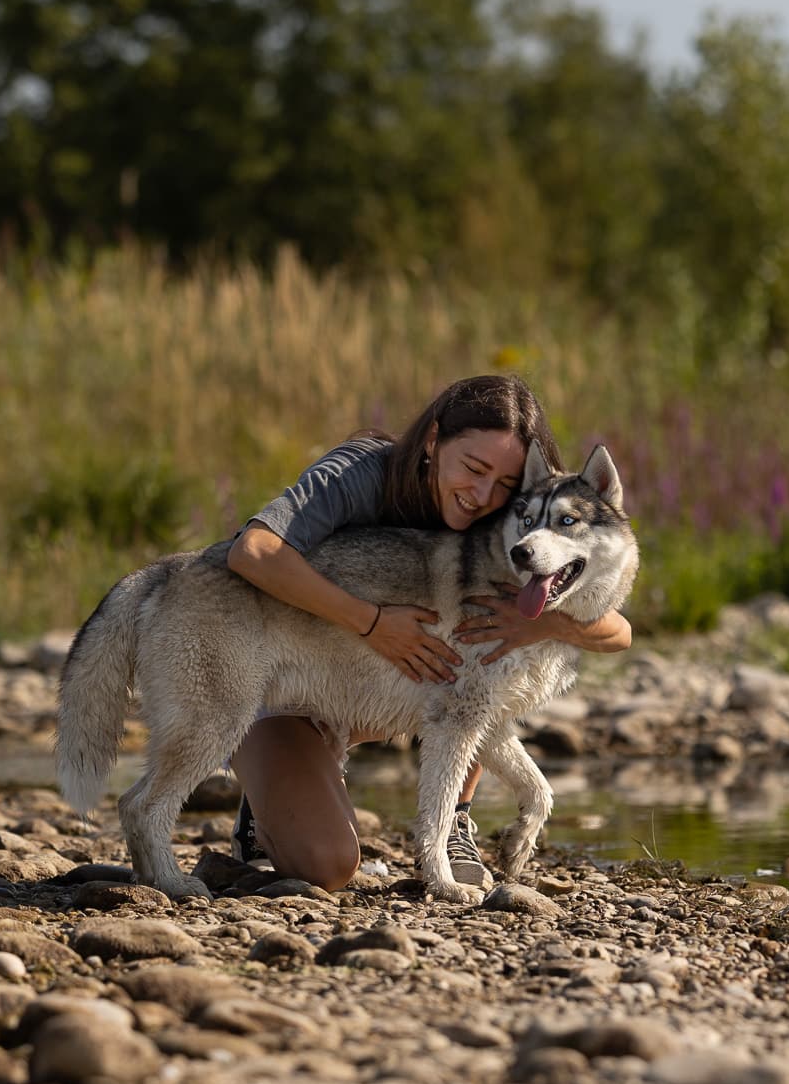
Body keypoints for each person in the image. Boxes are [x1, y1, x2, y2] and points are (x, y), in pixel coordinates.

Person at [224, 374, 633, 891]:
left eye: (506, 486)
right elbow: (251, 551)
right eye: (473, 468)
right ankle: (259, 808)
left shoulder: (510, 542)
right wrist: (372, 624)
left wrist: (541, 619)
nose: (484, 495)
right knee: (326, 865)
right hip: (277, 677)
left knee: (471, 681)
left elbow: (618, 632)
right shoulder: (360, 472)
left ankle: (455, 817)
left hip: (373, 699)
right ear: (434, 441)